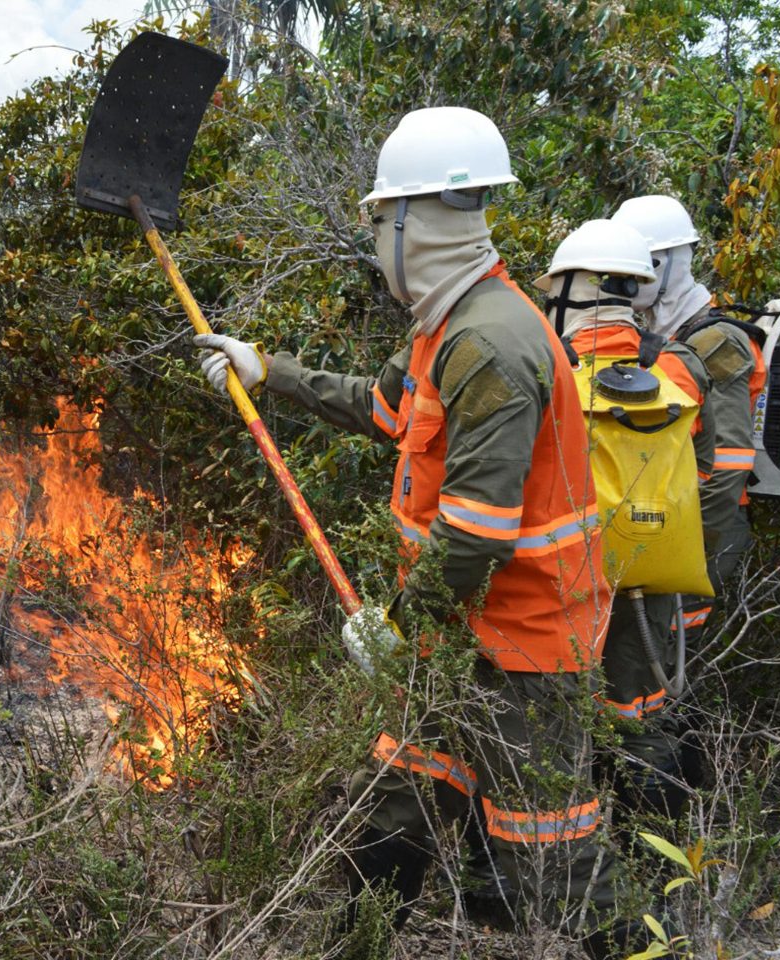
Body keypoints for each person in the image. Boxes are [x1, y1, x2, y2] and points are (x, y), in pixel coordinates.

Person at [196, 106, 622, 954]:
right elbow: (382, 407)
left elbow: (472, 536)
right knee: (398, 807)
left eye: (379, 220)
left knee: (554, 857)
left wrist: (393, 629)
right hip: (456, 636)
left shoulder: (492, 343)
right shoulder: (445, 329)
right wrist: (266, 369)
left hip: (524, 650)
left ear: (413, 221)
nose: (374, 239)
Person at [536, 219, 716, 818]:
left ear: (565, 293)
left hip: (565, 586)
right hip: (653, 581)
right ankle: (659, 867)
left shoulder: (548, 371)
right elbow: (708, 464)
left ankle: (565, 862)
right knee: (639, 722)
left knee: (552, 728)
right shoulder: (680, 367)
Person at [610, 196, 758, 638]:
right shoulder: (660, 337)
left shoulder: (716, 342)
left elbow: (728, 467)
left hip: (707, 529)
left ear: (672, 263)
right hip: (667, 519)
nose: (631, 279)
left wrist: (685, 553)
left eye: (643, 265)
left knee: (669, 651)